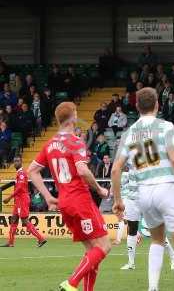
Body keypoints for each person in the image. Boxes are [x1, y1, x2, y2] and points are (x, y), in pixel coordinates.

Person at [111, 87, 174, 291]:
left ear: (137, 106)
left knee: (157, 240)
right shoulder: (165, 126)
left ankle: (152, 288)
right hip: (166, 187)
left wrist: (117, 201)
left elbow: (115, 169)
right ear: (157, 104)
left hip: (142, 193)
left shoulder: (128, 133)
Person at [27, 102, 111, 291]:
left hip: (64, 202)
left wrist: (48, 197)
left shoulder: (49, 144)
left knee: (92, 250)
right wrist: (99, 189)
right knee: (105, 246)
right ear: (73, 117)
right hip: (80, 200)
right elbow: (82, 170)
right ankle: (71, 283)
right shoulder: (75, 141)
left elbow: (32, 171)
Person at [0, 155, 47, 247]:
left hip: (22, 200)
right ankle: (10, 242)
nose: (15, 163)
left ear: (21, 162)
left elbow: (20, 188)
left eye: (17, 161)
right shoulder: (18, 173)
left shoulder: (21, 173)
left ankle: (41, 238)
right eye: (14, 161)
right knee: (14, 219)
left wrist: (9, 197)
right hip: (18, 200)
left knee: (24, 220)